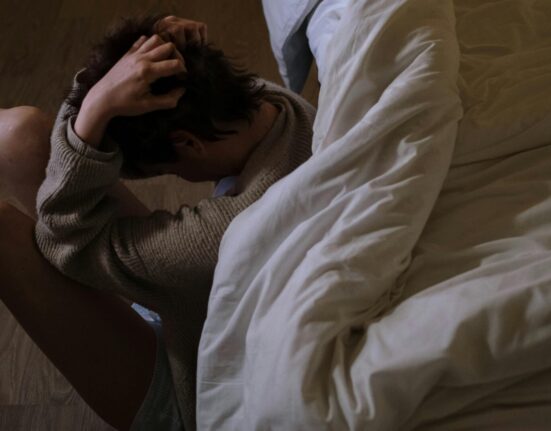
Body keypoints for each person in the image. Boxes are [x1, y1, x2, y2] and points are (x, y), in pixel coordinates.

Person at [0, 14, 315, 431]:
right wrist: (162, 62)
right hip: (192, 306)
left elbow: (65, 237)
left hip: (194, 389)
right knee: (17, 133)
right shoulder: (285, 111)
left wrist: (95, 106)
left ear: (188, 144)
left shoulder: (217, 237)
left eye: (167, 167)